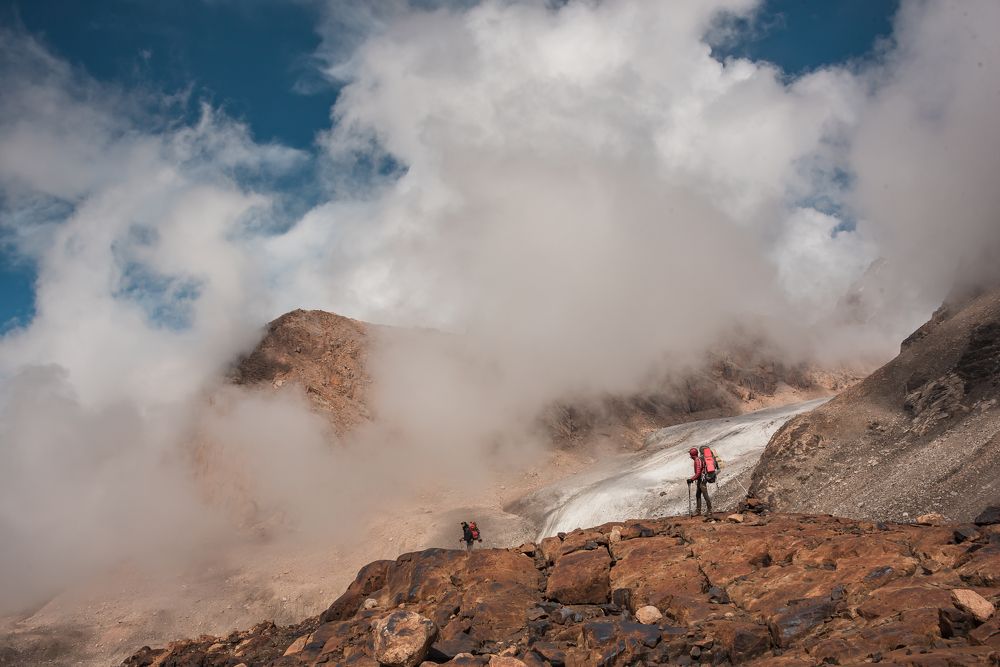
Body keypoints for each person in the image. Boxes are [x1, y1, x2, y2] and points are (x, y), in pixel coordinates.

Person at [687, 447, 713, 516]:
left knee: (705, 494)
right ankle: (698, 511)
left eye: (690, 454)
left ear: (691, 454)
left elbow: (698, 473)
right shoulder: (698, 459)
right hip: (701, 479)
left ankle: (709, 510)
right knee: (698, 494)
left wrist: (691, 479)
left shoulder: (697, 461)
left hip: (702, 480)